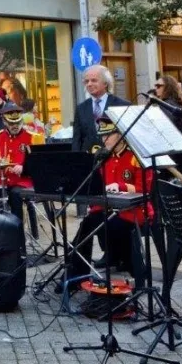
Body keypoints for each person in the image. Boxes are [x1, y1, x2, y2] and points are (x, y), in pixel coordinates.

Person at [67, 116, 153, 290]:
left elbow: (145, 189)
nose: (104, 139)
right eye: (103, 135)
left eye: (109, 135)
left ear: (121, 134)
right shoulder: (105, 157)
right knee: (87, 225)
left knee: (116, 226)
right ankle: (74, 275)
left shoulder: (136, 155)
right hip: (109, 208)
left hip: (134, 210)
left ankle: (135, 269)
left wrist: (119, 186)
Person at [0, 102, 44, 226]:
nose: (15, 126)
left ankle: (17, 230)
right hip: (1, 179)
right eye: (11, 123)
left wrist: (24, 167)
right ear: (4, 122)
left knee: (15, 194)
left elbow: (40, 164)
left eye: (17, 122)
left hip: (24, 180)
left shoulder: (34, 138)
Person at [71, 65, 131, 154]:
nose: (89, 84)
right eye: (86, 81)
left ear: (106, 83)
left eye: (94, 80)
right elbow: (77, 139)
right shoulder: (81, 108)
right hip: (89, 161)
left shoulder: (122, 106)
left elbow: (129, 138)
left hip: (113, 160)